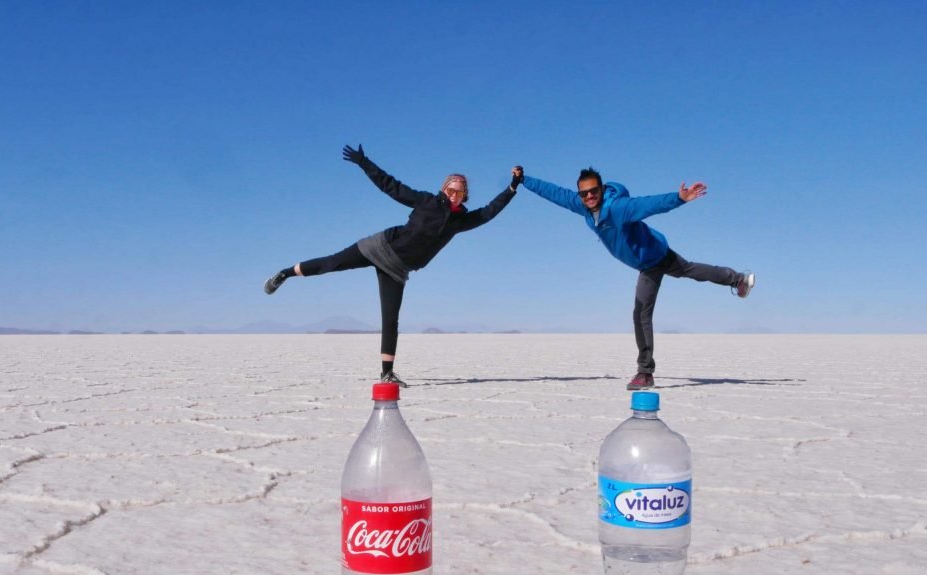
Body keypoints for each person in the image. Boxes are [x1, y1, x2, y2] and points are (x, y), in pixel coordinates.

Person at [264, 144, 521, 387]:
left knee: (390, 319)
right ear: (443, 189)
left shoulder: (461, 221)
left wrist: (511, 188)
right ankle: (285, 273)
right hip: (379, 247)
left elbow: (489, 212)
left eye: (459, 192)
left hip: (398, 269)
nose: (453, 195)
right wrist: (364, 163)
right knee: (331, 263)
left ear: (465, 195)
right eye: (450, 190)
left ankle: (386, 373)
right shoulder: (425, 201)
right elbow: (391, 186)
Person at [513, 165, 755, 390]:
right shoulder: (583, 206)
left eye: (593, 192)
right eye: (584, 194)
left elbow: (647, 204)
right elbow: (555, 193)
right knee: (690, 270)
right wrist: (524, 179)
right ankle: (738, 279)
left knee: (641, 314)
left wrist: (678, 198)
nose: (589, 197)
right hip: (651, 256)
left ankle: (645, 373)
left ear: (601, 188)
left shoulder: (618, 208)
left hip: (651, 260)